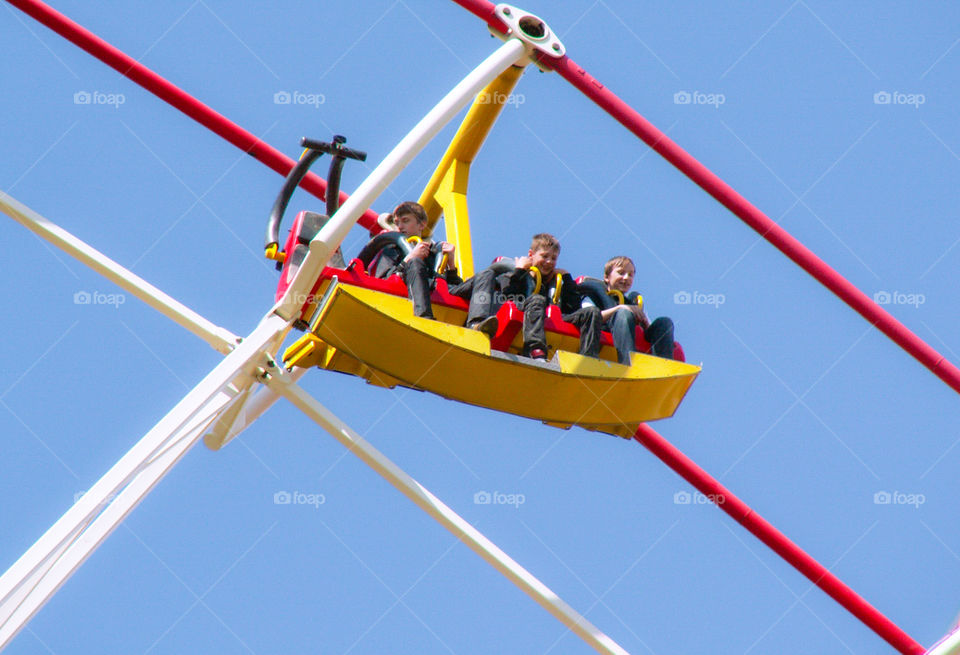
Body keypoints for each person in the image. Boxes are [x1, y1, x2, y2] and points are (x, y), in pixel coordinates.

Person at [450, 233, 601, 361]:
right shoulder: (513, 275)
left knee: (591, 312)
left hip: (549, 319)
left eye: (553, 258)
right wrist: (520, 271)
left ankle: (589, 359)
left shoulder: (555, 283)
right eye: (544, 256)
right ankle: (535, 350)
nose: (549, 262)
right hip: (521, 312)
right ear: (531, 255)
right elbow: (507, 298)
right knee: (537, 299)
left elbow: (573, 308)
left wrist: (567, 279)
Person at [368, 201, 461, 319]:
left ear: (421, 225)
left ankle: (478, 324)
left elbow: (454, 288)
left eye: (405, 221)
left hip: (436, 295)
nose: (400, 226)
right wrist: (410, 257)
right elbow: (382, 279)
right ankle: (424, 316)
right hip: (399, 298)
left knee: (484, 277)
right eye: (397, 223)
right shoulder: (391, 251)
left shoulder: (433, 254)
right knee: (415, 262)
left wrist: (451, 264)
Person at [583, 255, 675, 364]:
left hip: (629, 336)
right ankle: (627, 365)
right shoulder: (593, 295)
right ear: (607, 277)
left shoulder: (633, 304)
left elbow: (648, 331)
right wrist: (619, 308)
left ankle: (664, 368)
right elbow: (587, 318)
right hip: (602, 331)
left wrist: (644, 323)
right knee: (623, 313)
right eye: (621, 273)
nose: (626, 278)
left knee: (664, 322)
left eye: (630, 275)